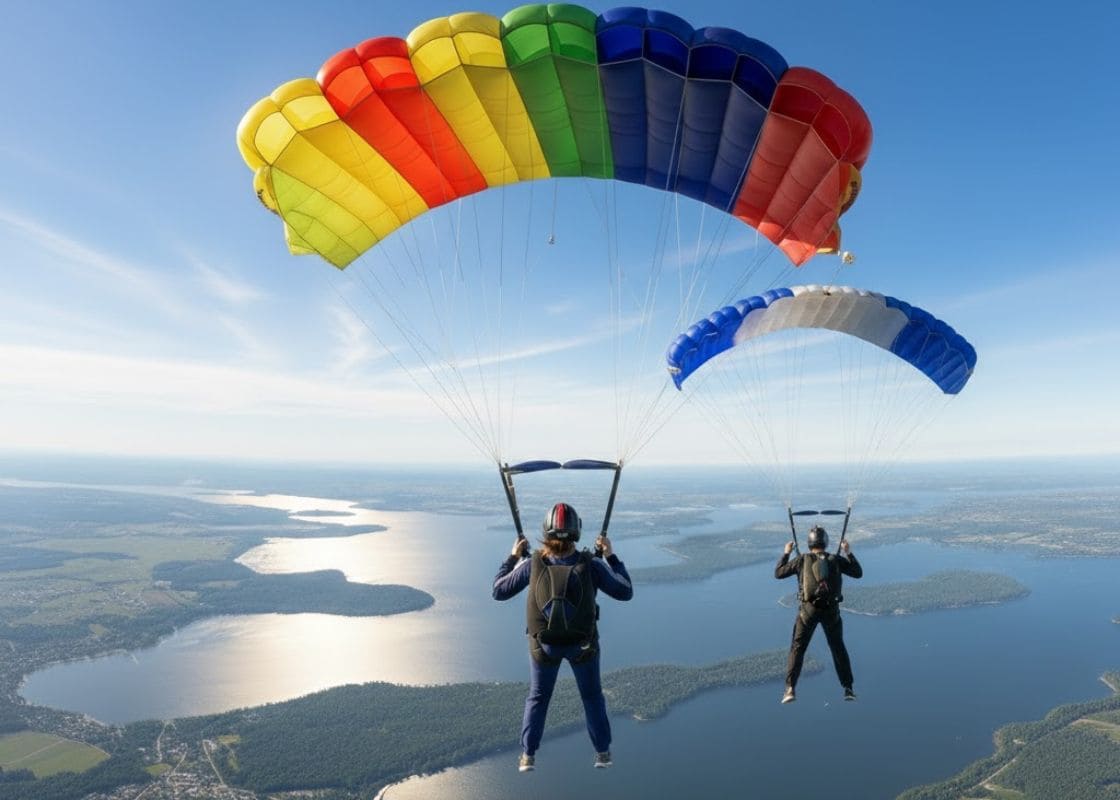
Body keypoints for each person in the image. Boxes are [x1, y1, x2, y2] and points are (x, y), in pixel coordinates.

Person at [492, 502, 633, 772]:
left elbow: (498, 591)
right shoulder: (591, 565)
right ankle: (602, 753)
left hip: (543, 648)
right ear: (576, 530)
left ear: (546, 531)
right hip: (583, 646)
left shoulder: (533, 564)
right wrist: (611, 557)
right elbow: (625, 591)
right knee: (592, 696)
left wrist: (512, 557)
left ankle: (528, 755)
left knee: (538, 697)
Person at [774, 525, 862, 704]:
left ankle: (790, 689)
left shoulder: (801, 560)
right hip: (831, 612)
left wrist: (786, 553)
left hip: (808, 611)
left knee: (798, 648)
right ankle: (848, 688)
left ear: (809, 543)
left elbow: (779, 573)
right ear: (825, 542)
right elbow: (857, 573)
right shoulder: (835, 560)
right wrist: (848, 552)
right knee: (837, 648)